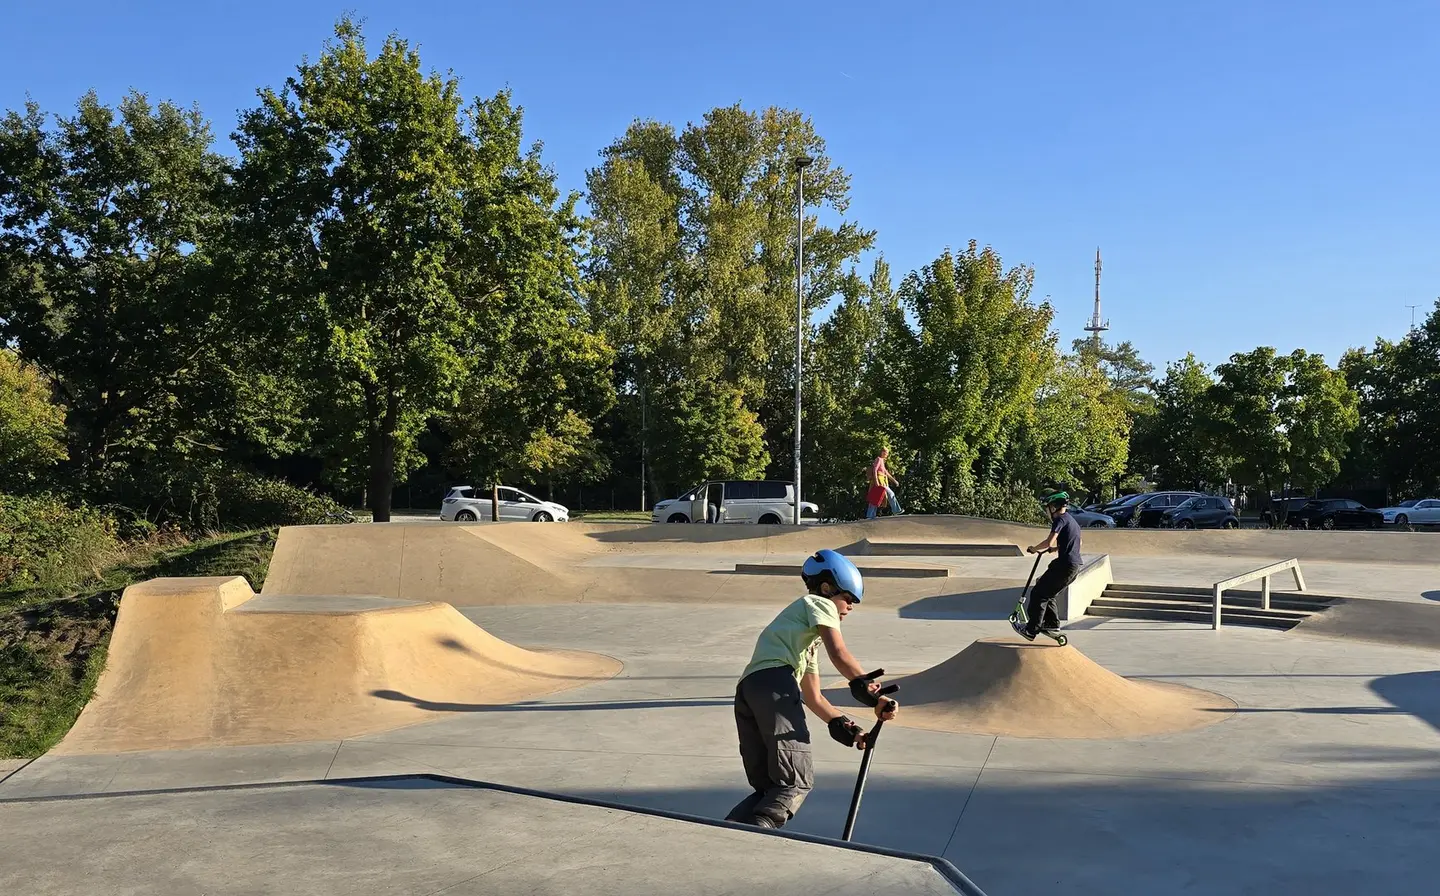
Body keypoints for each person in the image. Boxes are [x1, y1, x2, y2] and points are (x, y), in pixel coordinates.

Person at [724, 549, 899, 829]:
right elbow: (839, 652)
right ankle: (756, 839)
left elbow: (814, 697)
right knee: (794, 782)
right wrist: (872, 693)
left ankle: (725, 833)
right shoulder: (819, 603)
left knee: (770, 790)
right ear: (828, 588)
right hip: (775, 686)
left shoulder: (801, 642)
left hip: (750, 692)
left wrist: (851, 730)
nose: (850, 608)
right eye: (848, 599)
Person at [1012, 490, 1082, 641]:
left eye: (1048, 507)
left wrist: (1034, 549)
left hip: (1065, 565)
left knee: (1038, 594)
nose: (1047, 511)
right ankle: (1051, 624)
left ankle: (1031, 630)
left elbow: (1048, 541)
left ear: (1054, 507)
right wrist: (1057, 549)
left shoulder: (1060, 520)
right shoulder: (1072, 520)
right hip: (1073, 566)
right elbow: (1078, 542)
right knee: (1047, 592)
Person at [865, 447, 903, 519]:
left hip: (882, 481)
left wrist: (894, 481)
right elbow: (875, 470)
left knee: (877, 497)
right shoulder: (878, 459)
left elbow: (886, 473)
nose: (887, 454)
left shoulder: (882, 461)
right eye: (886, 452)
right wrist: (876, 481)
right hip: (879, 481)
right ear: (882, 452)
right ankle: (896, 510)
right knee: (876, 497)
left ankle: (871, 515)